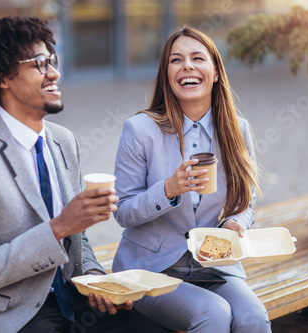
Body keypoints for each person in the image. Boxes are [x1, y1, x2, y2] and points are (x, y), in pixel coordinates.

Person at [0, 15, 164, 333]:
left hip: (70, 296)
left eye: (52, 61)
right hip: (9, 311)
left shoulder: (62, 140)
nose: (54, 73)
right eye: (40, 63)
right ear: (2, 76)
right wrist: (58, 227)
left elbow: (77, 238)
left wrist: (96, 279)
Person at [112, 26, 272, 332]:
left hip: (214, 266)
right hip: (150, 268)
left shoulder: (237, 129)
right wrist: (168, 190)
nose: (187, 65)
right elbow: (123, 211)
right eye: (176, 60)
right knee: (213, 313)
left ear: (214, 73)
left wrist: (236, 222)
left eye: (197, 58)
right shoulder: (139, 130)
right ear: (167, 74)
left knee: (253, 317)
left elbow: (245, 201)